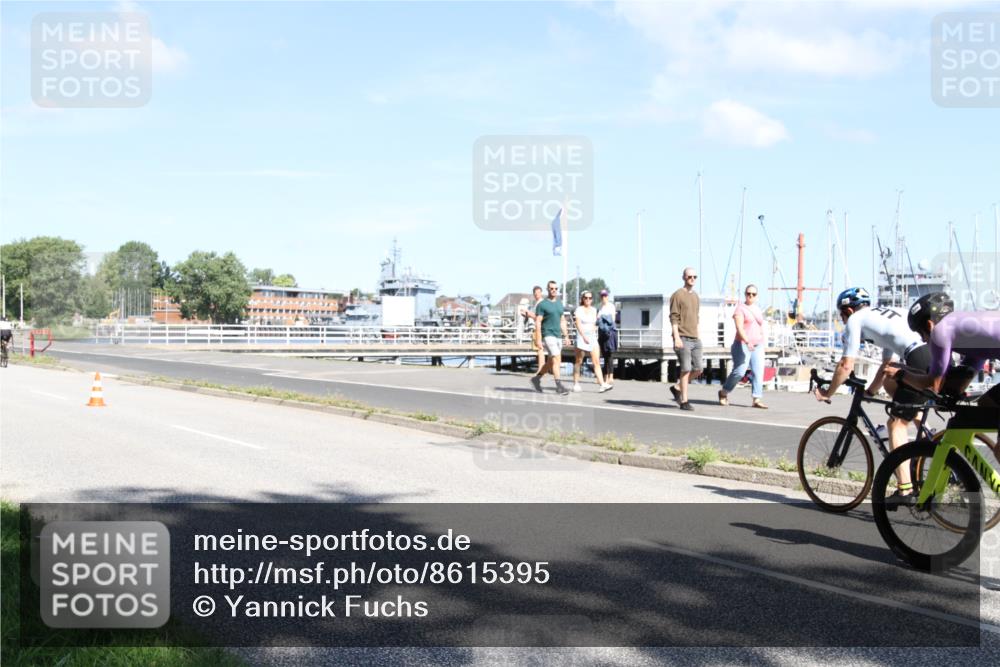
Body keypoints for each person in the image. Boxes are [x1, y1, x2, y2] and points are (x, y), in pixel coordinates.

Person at [814, 287, 931, 502]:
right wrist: (870, 391)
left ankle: (905, 489)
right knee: (890, 382)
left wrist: (828, 392)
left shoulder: (855, 319)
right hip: (933, 354)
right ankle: (924, 429)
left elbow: (846, 364)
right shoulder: (884, 314)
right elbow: (887, 365)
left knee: (895, 424)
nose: (843, 320)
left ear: (849, 310)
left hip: (918, 358)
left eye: (842, 315)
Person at [888, 291, 1000, 407]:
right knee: (987, 405)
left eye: (921, 333)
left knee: (987, 405)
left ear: (929, 325)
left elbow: (933, 386)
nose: (923, 340)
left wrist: (900, 374)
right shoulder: (970, 329)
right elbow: (966, 374)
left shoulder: (940, 330)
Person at [718, 284, 768, 409]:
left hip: (758, 345)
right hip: (742, 344)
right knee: (740, 372)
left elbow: (759, 326)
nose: (751, 296)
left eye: (753, 294)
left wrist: (762, 340)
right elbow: (739, 328)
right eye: (748, 293)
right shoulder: (740, 309)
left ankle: (756, 399)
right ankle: (724, 392)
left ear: (756, 296)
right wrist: (747, 341)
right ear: (745, 294)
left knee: (758, 372)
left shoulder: (757, 309)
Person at [669, 268, 702, 411]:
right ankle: (684, 401)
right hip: (682, 337)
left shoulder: (695, 296)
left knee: (698, 369)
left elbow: (696, 317)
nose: (692, 279)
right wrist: (676, 337)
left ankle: (677, 387)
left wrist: (697, 335)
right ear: (683, 277)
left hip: (695, 338)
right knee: (686, 369)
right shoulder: (677, 295)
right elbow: (674, 317)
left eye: (695, 276)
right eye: (689, 276)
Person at [530, 281, 571, 395]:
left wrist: (566, 336)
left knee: (550, 362)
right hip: (548, 335)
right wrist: (538, 339)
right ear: (548, 289)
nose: (554, 290)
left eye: (556, 288)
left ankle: (536, 379)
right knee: (557, 359)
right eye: (552, 288)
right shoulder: (542, 304)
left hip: (558, 335)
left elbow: (562, 320)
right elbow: (538, 322)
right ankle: (559, 386)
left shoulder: (559, 303)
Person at [572, 291, 611, 393]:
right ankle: (576, 383)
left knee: (596, 361)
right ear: (582, 299)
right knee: (578, 361)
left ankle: (602, 384)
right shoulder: (579, 309)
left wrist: (593, 330)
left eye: (590, 298)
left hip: (592, 337)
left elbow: (596, 323)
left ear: (592, 299)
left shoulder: (594, 310)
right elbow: (578, 324)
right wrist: (583, 336)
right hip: (581, 337)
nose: (588, 299)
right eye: (586, 298)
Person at [519, 285, 545, 373]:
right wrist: (527, 314)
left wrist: (528, 314)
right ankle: (541, 368)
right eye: (535, 293)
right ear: (534, 294)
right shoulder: (537, 303)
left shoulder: (541, 303)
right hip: (536, 328)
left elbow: (539, 317)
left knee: (540, 349)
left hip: (539, 328)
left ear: (541, 293)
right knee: (539, 349)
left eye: (538, 292)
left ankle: (541, 369)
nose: (537, 294)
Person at [597, 289, 618, 386]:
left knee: (610, 355)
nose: (603, 297)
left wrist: (602, 318)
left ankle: (611, 376)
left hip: (609, 332)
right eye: (602, 296)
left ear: (607, 296)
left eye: (605, 295)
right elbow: (597, 319)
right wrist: (602, 319)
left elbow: (611, 319)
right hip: (601, 332)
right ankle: (605, 376)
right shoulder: (600, 307)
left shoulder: (611, 306)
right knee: (604, 355)